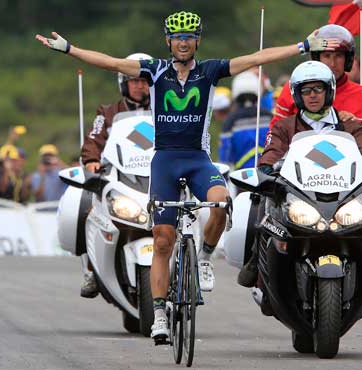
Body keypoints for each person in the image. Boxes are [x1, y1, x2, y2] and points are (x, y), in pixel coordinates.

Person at [35, 10, 340, 342]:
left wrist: (302, 46)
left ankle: (205, 257)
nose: (183, 43)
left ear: (197, 40)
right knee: (162, 241)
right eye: (177, 37)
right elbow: (109, 63)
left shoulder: (210, 72)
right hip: (164, 161)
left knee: (222, 204)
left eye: (189, 37)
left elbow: (256, 57)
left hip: (198, 160)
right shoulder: (154, 71)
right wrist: (70, 49)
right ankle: (160, 314)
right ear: (168, 41)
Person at [238, 60, 362, 288]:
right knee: (263, 203)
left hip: (342, 197)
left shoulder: (350, 126)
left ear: (329, 91)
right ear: (297, 94)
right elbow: (272, 152)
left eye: (318, 88)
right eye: (306, 90)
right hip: (299, 196)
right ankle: (256, 263)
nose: (312, 95)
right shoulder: (284, 127)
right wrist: (265, 170)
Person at [79, 52, 151, 299]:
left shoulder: (165, 113)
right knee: (87, 210)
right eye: (134, 80)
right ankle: (91, 269)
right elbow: (93, 140)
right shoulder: (108, 113)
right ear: (123, 83)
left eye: (144, 80)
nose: (140, 85)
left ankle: (195, 264)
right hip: (119, 179)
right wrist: (91, 161)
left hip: (156, 178)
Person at [269, 24, 362, 131]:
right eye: (327, 56)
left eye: (338, 56)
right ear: (316, 58)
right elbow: (275, 134)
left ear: (347, 60)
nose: (332, 63)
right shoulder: (292, 89)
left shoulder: (360, 95)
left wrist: (355, 126)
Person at [219, 71, 272, 169]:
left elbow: (225, 152)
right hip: (267, 173)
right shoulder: (268, 116)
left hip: (241, 177)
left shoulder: (231, 120)